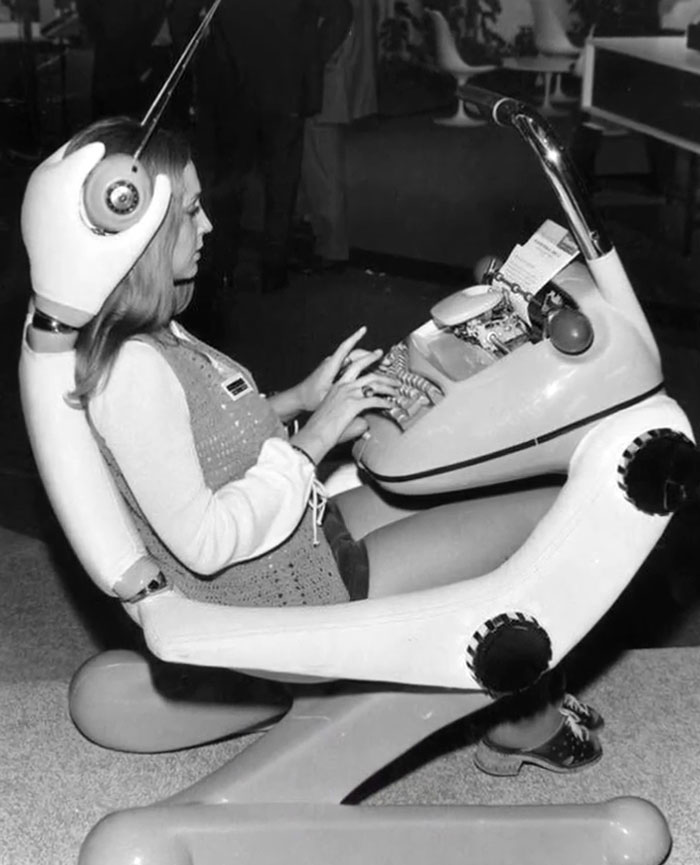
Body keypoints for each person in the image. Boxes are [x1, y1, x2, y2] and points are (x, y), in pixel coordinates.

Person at [22, 116, 603, 775]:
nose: (208, 224)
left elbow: (198, 443)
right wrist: (317, 437)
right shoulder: (133, 372)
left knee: (477, 489)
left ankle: (523, 696)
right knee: (544, 518)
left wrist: (299, 400)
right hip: (282, 599)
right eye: (189, 210)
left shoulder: (144, 335)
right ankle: (521, 725)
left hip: (298, 545)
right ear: (142, 239)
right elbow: (206, 542)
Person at [170, 0, 353, 295]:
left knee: (229, 183)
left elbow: (181, 15)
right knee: (281, 184)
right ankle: (273, 270)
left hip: (230, 85)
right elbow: (340, 15)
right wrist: (309, 59)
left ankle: (222, 268)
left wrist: (200, 62)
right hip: (285, 86)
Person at [297, 0, 378, 272]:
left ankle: (331, 249)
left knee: (323, 172)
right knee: (319, 169)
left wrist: (307, 63)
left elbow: (338, 22)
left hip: (322, 85)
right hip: (327, 81)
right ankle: (323, 241)